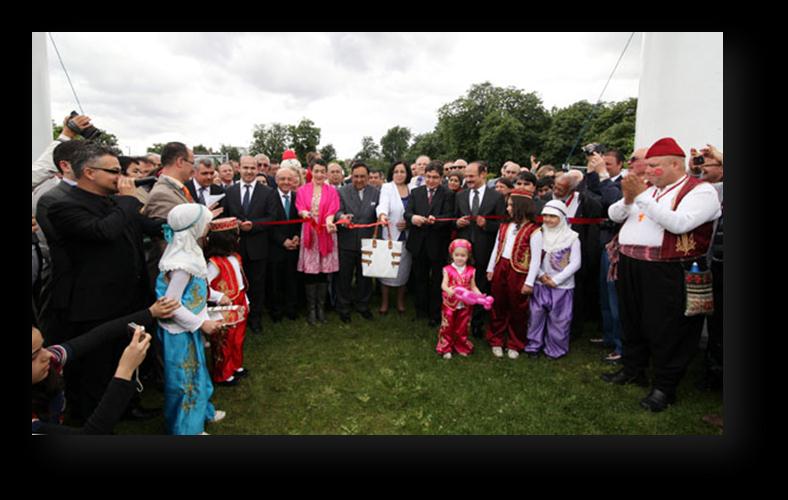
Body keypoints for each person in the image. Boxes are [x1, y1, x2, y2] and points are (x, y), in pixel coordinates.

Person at [602, 137, 722, 412]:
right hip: (632, 263)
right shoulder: (650, 190)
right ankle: (634, 368)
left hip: (668, 268)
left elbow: (679, 224)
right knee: (632, 320)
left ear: (674, 164)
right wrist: (630, 198)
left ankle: (665, 386)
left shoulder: (700, 191)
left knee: (667, 328)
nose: (647, 171)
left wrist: (641, 197)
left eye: (654, 166)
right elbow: (614, 213)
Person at [48, 143, 164, 423]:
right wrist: (128, 199)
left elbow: (147, 226)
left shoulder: (114, 203)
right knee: (95, 372)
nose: (120, 176)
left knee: (124, 360)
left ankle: (126, 407)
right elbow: (104, 232)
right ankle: (93, 423)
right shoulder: (63, 206)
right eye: (113, 171)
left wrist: (188, 220)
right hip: (93, 307)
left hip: (127, 300)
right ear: (88, 172)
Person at [32, 299, 179, 434]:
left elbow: (98, 335)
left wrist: (150, 312)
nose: (47, 355)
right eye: (34, 355)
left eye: (43, 346)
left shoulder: (53, 358)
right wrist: (125, 370)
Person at [156, 203, 228, 434]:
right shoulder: (181, 265)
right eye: (205, 222)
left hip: (189, 328)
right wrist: (202, 323)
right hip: (179, 332)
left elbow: (198, 288)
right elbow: (170, 305)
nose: (208, 227)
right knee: (184, 380)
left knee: (198, 372)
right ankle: (187, 428)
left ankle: (203, 411)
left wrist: (217, 297)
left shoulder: (189, 253)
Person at [221, 155, 277, 334]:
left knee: (257, 285)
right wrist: (234, 224)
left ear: (257, 170)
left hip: (258, 247)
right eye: (246, 168)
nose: (249, 171)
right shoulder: (229, 192)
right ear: (239, 168)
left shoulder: (267, 192)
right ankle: (237, 318)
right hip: (234, 247)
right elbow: (224, 217)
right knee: (235, 285)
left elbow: (271, 218)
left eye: (253, 168)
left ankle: (255, 319)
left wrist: (253, 226)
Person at [485, 190, 541, 359]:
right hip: (501, 265)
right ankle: (496, 339)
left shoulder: (534, 230)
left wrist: (529, 282)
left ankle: (515, 342)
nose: (508, 208)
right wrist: (490, 268)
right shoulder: (505, 226)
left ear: (521, 207)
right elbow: (497, 247)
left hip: (519, 272)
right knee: (498, 304)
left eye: (511, 205)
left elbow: (536, 259)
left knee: (518, 307)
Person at [454, 161, 506, 338]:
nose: (467, 180)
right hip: (463, 251)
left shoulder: (496, 197)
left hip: (485, 249)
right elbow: (453, 218)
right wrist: (457, 222)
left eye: (471, 176)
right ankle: (459, 319)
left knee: (481, 284)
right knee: (461, 282)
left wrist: (487, 225)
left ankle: (477, 322)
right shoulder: (460, 196)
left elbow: (502, 225)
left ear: (483, 174)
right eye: (466, 176)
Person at [526, 200, 582, 360]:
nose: (548, 220)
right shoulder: (538, 234)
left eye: (553, 216)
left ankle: (555, 348)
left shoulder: (572, 238)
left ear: (562, 217)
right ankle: (533, 345)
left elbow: (576, 263)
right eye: (546, 216)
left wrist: (557, 280)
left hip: (562, 287)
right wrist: (541, 275)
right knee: (536, 315)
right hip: (540, 283)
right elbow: (533, 258)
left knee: (560, 319)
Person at [552, 169, 602, 339]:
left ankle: (573, 328)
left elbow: (597, 210)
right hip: (551, 251)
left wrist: (585, 191)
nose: (557, 190)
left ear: (572, 190)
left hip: (574, 252)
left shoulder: (583, 201)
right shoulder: (549, 199)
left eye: (561, 188)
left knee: (576, 291)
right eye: (556, 186)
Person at [405, 161, 456, 327]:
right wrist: (413, 218)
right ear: (424, 176)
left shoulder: (447, 194)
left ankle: (435, 313)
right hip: (418, 242)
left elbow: (450, 216)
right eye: (428, 177)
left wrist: (437, 220)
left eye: (435, 177)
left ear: (441, 178)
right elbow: (408, 212)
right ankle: (420, 310)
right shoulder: (416, 192)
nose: (431, 180)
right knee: (419, 278)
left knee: (436, 280)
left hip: (437, 243)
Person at [204, 217, 250, 387]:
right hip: (225, 306)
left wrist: (245, 299)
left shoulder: (236, 257)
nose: (238, 240)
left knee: (238, 337)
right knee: (224, 340)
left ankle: (236, 366)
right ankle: (223, 373)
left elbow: (241, 282)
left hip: (239, 301)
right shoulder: (214, 263)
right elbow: (204, 287)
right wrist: (218, 297)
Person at [335, 161, 381, 323]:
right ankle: (344, 307)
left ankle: (363, 305)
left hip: (367, 242)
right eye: (356, 176)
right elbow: (337, 210)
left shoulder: (376, 192)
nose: (359, 179)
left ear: (368, 177)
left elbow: (379, 214)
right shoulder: (342, 191)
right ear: (351, 176)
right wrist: (341, 217)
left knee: (365, 277)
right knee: (344, 277)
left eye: (362, 176)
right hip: (346, 242)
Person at [296, 159, 340, 325]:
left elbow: (332, 210)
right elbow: (300, 207)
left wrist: (329, 221)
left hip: (325, 233)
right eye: (317, 171)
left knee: (323, 272)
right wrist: (303, 213)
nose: (320, 174)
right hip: (310, 234)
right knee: (310, 272)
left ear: (326, 173)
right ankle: (311, 309)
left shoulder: (332, 191)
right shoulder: (303, 190)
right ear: (311, 172)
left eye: (323, 171)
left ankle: (321, 308)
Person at [376, 161, 413, 315]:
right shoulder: (387, 188)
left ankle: (400, 301)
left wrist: (409, 224)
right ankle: (384, 302)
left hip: (408, 236)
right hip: (390, 235)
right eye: (396, 171)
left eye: (402, 171)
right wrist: (382, 215)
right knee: (386, 269)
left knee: (403, 270)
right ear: (392, 173)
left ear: (407, 174)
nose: (399, 174)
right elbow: (382, 205)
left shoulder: (413, 189)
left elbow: (415, 211)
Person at [268, 166, 301, 322]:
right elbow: (269, 223)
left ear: (294, 181)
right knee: (275, 281)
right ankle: (276, 311)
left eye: (289, 179)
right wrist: (283, 241)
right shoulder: (269, 197)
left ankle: (292, 308)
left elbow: (301, 221)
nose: (286, 182)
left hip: (294, 246)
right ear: (276, 180)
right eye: (282, 179)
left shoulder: (298, 197)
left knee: (292, 279)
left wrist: (297, 236)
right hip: (276, 247)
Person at [436, 239, 479, 359]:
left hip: (465, 304)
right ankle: (446, 347)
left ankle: (461, 345)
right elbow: (443, 285)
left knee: (463, 325)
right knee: (448, 325)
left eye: (463, 255)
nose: (460, 258)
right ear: (452, 255)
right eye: (457, 255)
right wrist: (449, 290)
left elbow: (473, 286)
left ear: (468, 256)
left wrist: (480, 296)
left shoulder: (471, 270)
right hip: (450, 303)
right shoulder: (447, 269)